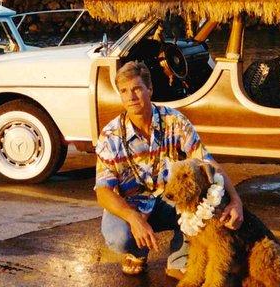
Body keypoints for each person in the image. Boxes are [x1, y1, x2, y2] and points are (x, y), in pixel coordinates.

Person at [95, 61, 244, 278]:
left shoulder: (174, 120)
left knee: (206, 208)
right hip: (131, 204)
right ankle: (138, 251)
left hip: (171, 201)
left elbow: (207, 163)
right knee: (118, 237)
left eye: (137, 88)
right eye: (124, 91)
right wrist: (133, 217)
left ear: (150, 89)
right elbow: (103, 191)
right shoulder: (110, 135)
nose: (131, 97)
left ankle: (181, 250)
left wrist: (235, 201)